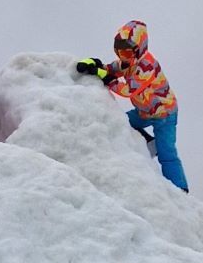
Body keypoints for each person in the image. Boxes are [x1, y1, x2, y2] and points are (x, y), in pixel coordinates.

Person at [76, 20, 189, 193]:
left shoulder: (147, 67)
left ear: (138, 49)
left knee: (167, 154)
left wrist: (106, 78)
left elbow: (128, 90)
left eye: (127, 51)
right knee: (120, 121)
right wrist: (97, 65)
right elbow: (113, 69)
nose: (123, 56)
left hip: (164, 114)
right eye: (119, 51)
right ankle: (147, 141)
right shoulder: (128, 62)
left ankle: (180, 190)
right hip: (144, 111)